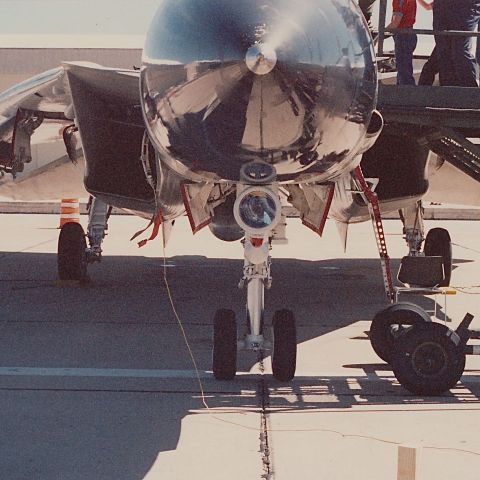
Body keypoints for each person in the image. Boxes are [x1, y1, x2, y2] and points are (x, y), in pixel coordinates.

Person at [433, 0, 480, 86]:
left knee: (459, 51)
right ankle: (449, 92)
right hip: (442, 7)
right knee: (444, 52)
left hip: (466, 6)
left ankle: (470, 93)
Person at [386, 0, 418, 84]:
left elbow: (395, 23)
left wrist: (379, 36)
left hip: (403, 36)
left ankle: (407, 95)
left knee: (404, 74)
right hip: (408, 34)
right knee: (403, 71)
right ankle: (402, 94)